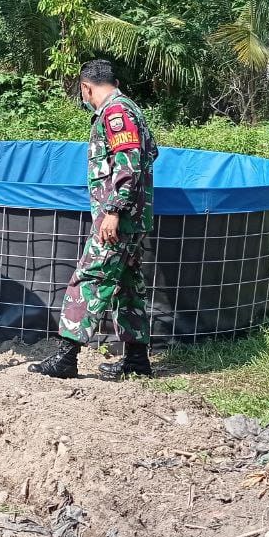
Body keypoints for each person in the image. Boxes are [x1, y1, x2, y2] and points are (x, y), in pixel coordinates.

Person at [31, 59, 159, 381]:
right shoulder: (129, 110)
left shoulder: (116, 113)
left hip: (119, 220)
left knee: (89, 279)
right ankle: (136, 360)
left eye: (81, 91)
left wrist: (113, 210)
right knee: (127, 288)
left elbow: (128, 164)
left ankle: (66, 357)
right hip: (131, 219)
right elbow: (151, 152)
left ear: (86, 87)